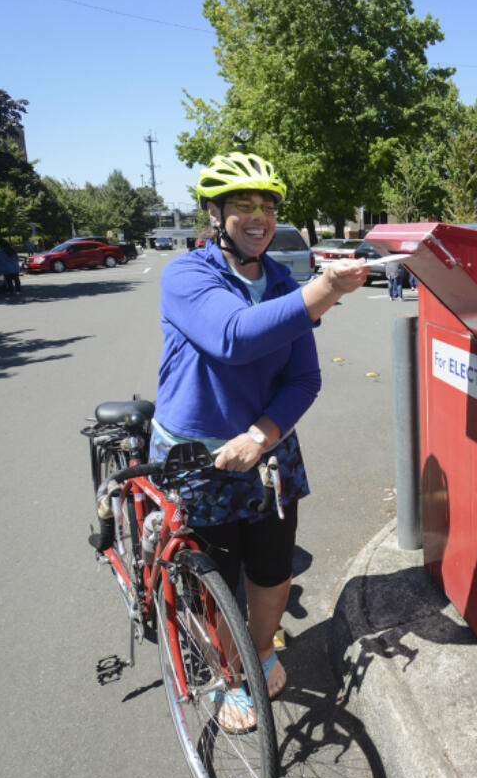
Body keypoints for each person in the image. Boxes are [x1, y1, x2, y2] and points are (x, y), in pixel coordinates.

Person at [144, 151, 367, 731]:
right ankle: (227, 673)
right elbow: (232, 337)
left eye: (266, 205)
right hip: (198, 453)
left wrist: (262, 434)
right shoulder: (187, 275)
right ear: (215, 214)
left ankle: (261, 650)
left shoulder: (278, 280)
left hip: (267, 447)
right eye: (242, 204)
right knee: (216, 578)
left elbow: (305, 377)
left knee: (270, 570)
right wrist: (325, 290)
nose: (258, 216)